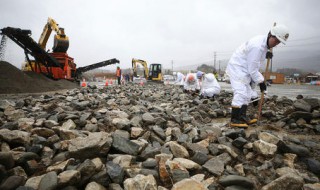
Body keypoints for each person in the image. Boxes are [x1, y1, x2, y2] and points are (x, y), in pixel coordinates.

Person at [226, 24, 289, 128]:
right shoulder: (257, 46)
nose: (276, 44)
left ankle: (242, 116)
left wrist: (266, 54)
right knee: (241, 92)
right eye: (276, 40)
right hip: (238, 67)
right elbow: (253, 68)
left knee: (247, 93)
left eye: (278, 42)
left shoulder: (264, 45)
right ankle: (234, 119)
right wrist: (261, 82)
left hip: (245, 68)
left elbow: (255, 63)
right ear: (271, 35)